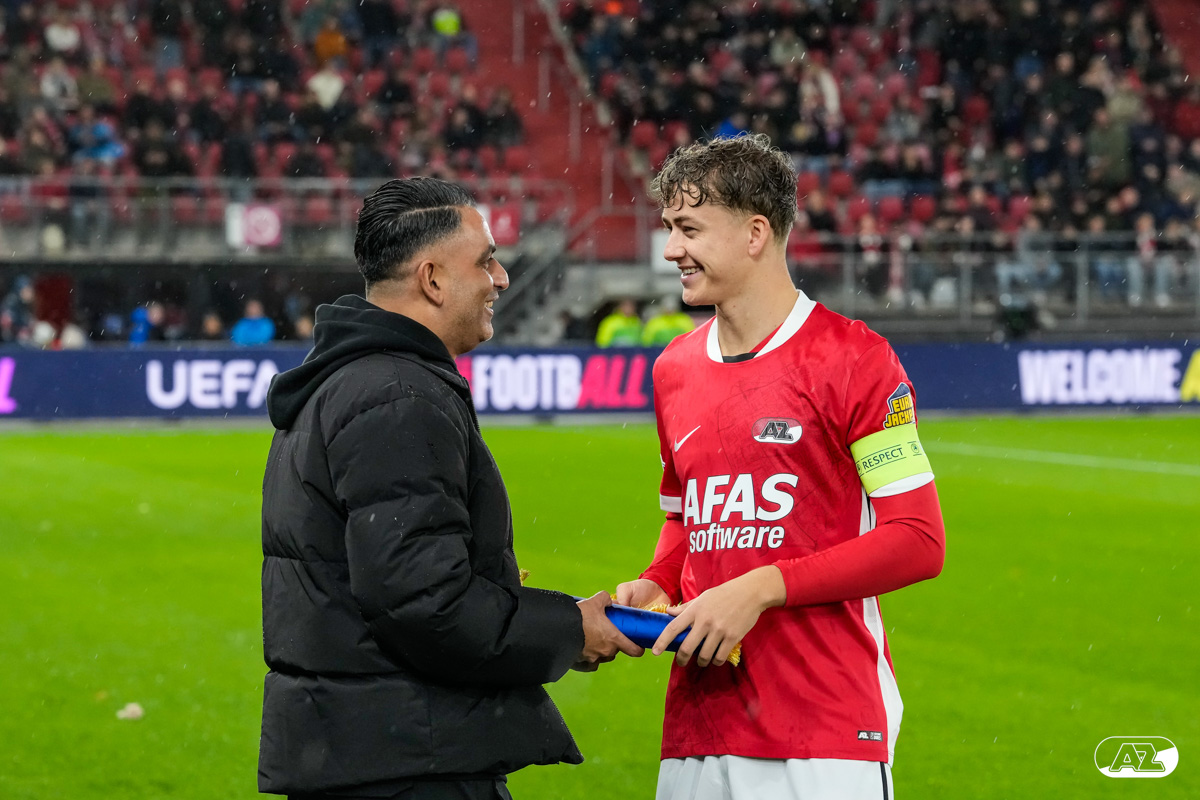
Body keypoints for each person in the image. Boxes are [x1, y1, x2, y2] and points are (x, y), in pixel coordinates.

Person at [259, 177, 641, 799]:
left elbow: (401, 582)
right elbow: (425, 604)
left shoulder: (351, 381)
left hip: (367, 748)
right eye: (486, 261)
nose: (502, 278)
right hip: (410, 762)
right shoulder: (397, 395)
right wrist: (569, 628)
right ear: (432, 279)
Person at [615, 135, 946, 800]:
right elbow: (685, 524)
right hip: (698, 724)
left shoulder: (855, 359)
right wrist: (656, 583)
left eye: (689, 229)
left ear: (755, 234)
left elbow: (917, 539)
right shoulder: (673, 369)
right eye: (669, 228)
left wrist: (763, 586)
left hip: (822, 729)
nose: (671, 249)